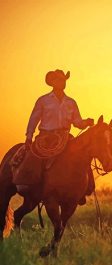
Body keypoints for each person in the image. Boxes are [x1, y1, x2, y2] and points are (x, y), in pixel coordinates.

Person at [13, 69, 95, 204]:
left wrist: (86, 122)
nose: (63, 82)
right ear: (52, 82)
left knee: (82, 155)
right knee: (35, 158)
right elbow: (34, 119)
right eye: (59, 80)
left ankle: (84, 189)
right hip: (46, 137)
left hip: (64, 136)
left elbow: (77, 122)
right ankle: (29, 184)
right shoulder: (43, 100)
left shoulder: (71, 102)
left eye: (64, 80)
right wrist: (29, 136)